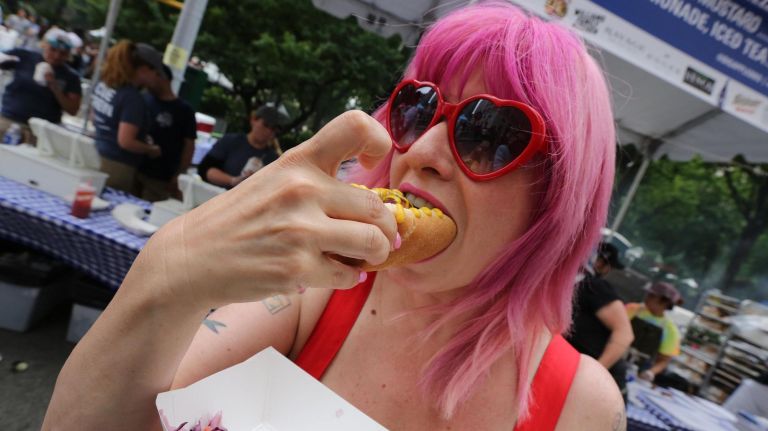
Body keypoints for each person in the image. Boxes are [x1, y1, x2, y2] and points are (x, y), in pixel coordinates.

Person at [43, 3, 625, 430]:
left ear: (557, 194)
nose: (420, 153)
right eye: (418, 110)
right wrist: (168, 276)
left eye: (487, 133)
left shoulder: (581, 406)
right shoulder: (316, 294)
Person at [91, 40, 163, 193]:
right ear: (143, 70)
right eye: (156, 72)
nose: (157, 78)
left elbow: (94, 117)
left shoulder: (105, 84)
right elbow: (125, 141)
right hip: (117, 166)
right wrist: (151, 149)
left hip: (96, 153)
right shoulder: (132, 98)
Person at [567, 242, 635, 399]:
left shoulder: (594, 287)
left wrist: (595, 373)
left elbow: (625, 333)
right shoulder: (573, 285)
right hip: (574, 372)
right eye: (608, 266)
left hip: (598, 383)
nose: (607, 271)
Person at [0, 28, 81, 145]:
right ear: (44, 45)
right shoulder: (25, 56)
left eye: (63, 53)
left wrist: (54, 85)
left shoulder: (71, 76)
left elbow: (73, 110)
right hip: (9, 121)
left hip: (40, 132)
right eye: (52, 50)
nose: (57, 56)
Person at [136, 65, 197, 202]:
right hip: (135, 168)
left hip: (161, 177)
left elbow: (189, 146)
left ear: (162, 78)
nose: (145, 81)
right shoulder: (144, 99)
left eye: (150, 76)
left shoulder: (184, 110)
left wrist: (178, 175)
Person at [197, 105, 282, 188]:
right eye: (265, 125)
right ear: (253, 120)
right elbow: (205, 169)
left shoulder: (273, 159)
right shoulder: (230, 141)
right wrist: (232, 180)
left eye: (273, 129)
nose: (268, 131)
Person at [626, 281, 683, 382]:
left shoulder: (671, 331)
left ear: (665, 302)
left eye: (652, 296)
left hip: (638, 372)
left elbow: (664, 360)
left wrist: (651, 372)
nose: (647, 297)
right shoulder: (631, 309)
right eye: (648, 294)